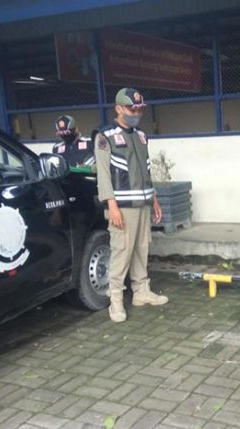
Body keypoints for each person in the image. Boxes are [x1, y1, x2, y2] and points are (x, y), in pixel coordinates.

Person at [94, 88, 165, 323]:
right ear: (118, 108)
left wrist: (153, 199)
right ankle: (115, 301)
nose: (136, 113)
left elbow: (145, 170)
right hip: (122, 207)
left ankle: (141, 292)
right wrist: (111, 206)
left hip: (142, 203)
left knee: (141, 248)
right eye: (131, 109)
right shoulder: (106, 136)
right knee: (121, 252)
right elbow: (103, 175)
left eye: (139, 109)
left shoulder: (141, 135)